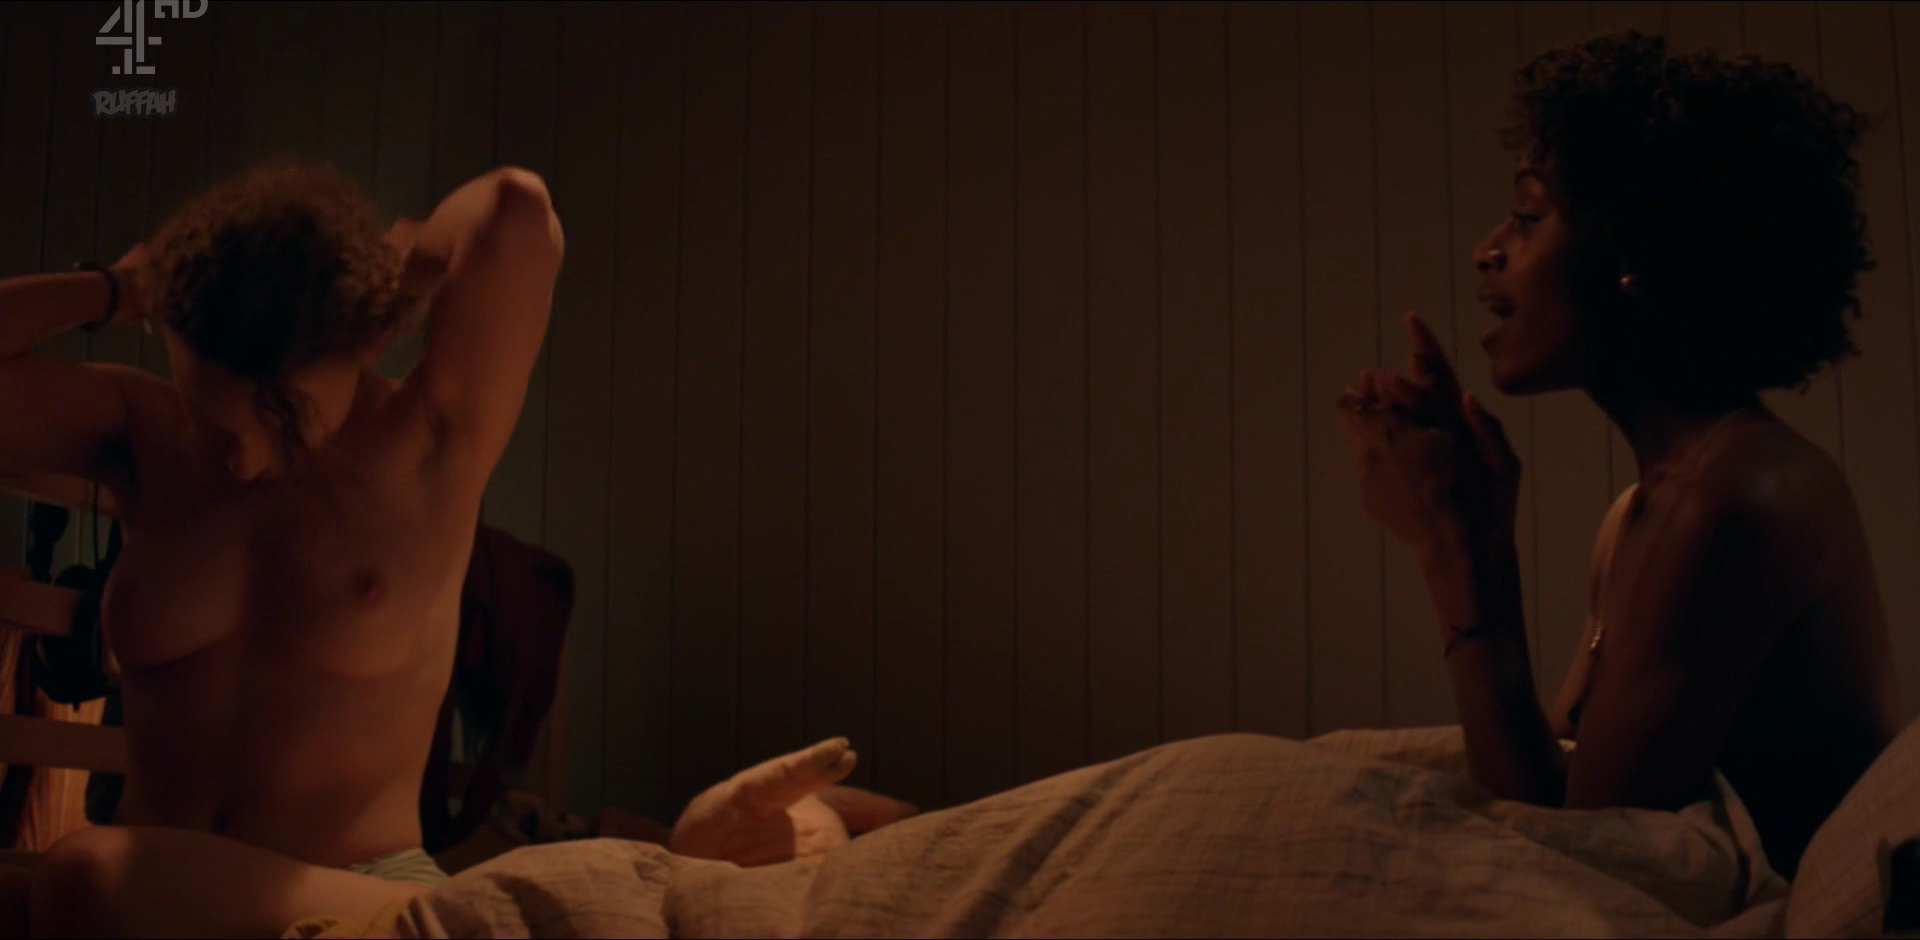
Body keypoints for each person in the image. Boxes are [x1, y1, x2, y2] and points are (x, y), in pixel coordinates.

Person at [1336, 29, 1903, 878]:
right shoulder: (1646, 511)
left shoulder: (1735, 500)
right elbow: (1547, 798)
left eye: (1529, 216)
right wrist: (1472, 531)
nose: (1489, 248)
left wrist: (1453, 548)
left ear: (1635, 256)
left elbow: (1580, 865)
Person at [0, 161, 564, 936]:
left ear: (367, 341)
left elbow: (516, 209)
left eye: (284, 416)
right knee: (78, 883)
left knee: (82, 877)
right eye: (212, 421)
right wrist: (116, 289)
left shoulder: (433, 442)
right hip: (151, 894)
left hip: (357, 892)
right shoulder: (143, 433)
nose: (243, 461)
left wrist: (405, 258)